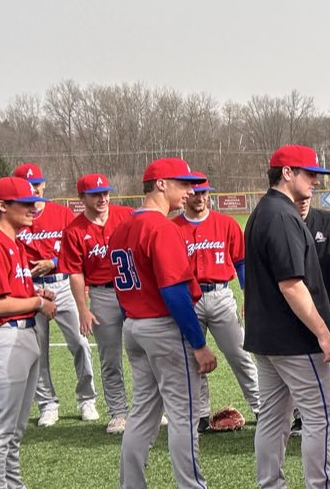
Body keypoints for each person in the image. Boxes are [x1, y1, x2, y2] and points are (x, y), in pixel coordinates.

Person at [112, 158, 217, 489]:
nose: (190, 191)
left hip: (134, 326)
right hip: (162, 328)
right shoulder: (162, 227)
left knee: (142, 414)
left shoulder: (122, 228)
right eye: (182, 184)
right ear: (160, 184)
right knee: (184, 417)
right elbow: (174, 293)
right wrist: (198, 344)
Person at [242, 145, 330, 488]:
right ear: (287, 173)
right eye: (309, 173)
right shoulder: (283, 215)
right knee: (321, 415)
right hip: (295, 339)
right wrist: (323, 333)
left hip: (267, 337)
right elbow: (291, 285)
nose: (315, 180)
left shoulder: (263, 211)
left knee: (272, 418)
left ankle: (270, 485)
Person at [11, 163, 94, 428]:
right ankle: (48, 404)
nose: (34, 189)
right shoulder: (16, 216)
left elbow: (76, 250)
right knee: (38, 352)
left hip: (63, 283)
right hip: (31, 288)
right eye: (28, 185)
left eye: (37, 184)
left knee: (80, 343)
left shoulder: (62, 213)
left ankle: (87, 399)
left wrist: (54, 261)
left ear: (44, 184)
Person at [175, 176, 260, 433]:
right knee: (192, 359)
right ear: (185, 195)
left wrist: (249, 296)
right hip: (189, 299)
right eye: (195, 193)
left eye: (204, 193)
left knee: (240, 353)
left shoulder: (226, 224)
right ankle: (199, 415)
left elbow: (242, 263)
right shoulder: (173, 228)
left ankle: (261, 407)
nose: (200, 197)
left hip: (221, 295)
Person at [59, 174, 133, 434]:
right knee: (110, 358)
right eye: (95, 194)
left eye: (105, 193)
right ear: (82, 198)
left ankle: (149, 410)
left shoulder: (127, 215)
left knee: (145, 353)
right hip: (102, 295)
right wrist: (82, 309)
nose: (102, 198)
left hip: (134, 290)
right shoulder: (75, 230)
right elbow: (75, 272)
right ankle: (119, 413)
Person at [0, 176, 56, 488]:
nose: (34, 208)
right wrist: (36, 302)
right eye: (25, 203)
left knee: (16, 431)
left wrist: (37, 297)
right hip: (6, 338)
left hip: (25, 335)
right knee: (2, 431)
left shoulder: (15, 242)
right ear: (2, 205)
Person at [292, 194, 330, 436]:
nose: (303, 201)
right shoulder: (283, 222)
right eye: (298, 198)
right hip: (295, 306)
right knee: (296, 360)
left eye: (307, 197)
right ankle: (299, 416)